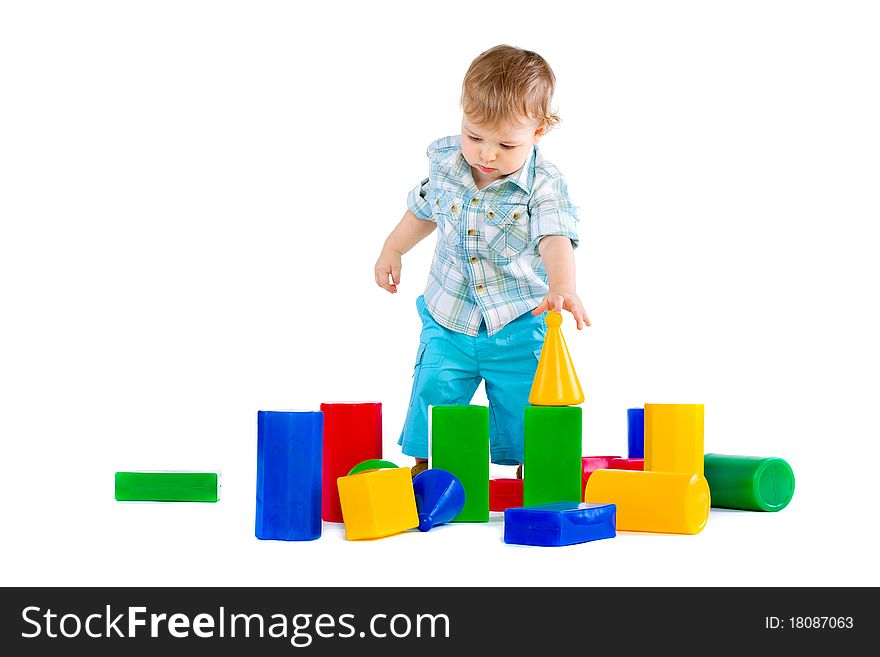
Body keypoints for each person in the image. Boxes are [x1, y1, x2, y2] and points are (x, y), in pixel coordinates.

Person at [374, 44, 590, 478]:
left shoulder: (542, 185)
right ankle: (425, 467)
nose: (486, 155)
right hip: (449, 315)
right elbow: (423, 210)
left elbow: (554, 236)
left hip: (517, 319)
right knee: (434, 389)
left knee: (525, 399)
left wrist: (562, 285)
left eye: (506, 144)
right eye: (474, 136)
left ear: (539, 131)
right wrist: (393, 248)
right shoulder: (447, 164)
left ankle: (534, 468)